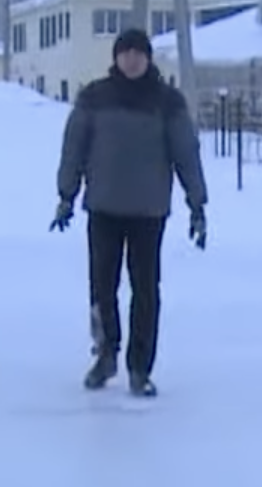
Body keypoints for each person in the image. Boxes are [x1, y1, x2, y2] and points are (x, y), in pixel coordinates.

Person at [53, 28, 208, 398]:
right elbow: (74, 148)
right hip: (103, 208)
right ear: (116, 58)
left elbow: (186, 153)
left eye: (139, 53)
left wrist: (197, 203)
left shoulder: (167, 101)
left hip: (148, 212)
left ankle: (140, 368)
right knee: (102, 288)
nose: (132, 60)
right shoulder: (94, 97)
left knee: (145, 291)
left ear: (149, 58)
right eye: (125, 53)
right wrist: (66, 195)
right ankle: (105, 354)